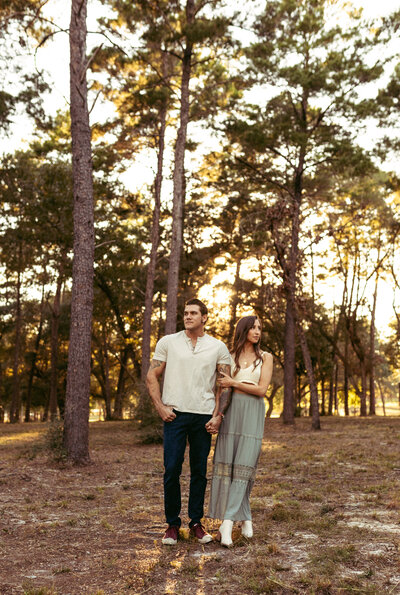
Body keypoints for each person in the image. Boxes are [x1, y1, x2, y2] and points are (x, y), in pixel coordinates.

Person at [146, 298, 232, 545]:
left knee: (199, 472)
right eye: (185, 313)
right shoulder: (168, 342)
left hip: (203, 417)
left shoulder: (218, 347)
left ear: (204, 317)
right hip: (175, 414)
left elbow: (224, 385)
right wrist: (160, 407)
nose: (188, 316)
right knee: (171, 469)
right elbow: (151, 374)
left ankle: (196, 522)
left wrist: (218, 415)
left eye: (193, 313)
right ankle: (172, 525)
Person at [208, 315, 273, 547]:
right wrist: (216, 416)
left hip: (253, 414)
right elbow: (220, 391)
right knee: (228, 467)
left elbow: (262, 390)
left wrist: (234, 383)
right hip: (231, 414)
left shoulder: (266, 358)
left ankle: (227, 522)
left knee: (245, 466)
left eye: (259, 328)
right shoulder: (229, 357)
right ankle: (244, 516)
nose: (257, 331)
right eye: (253, 327)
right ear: (243, 330)